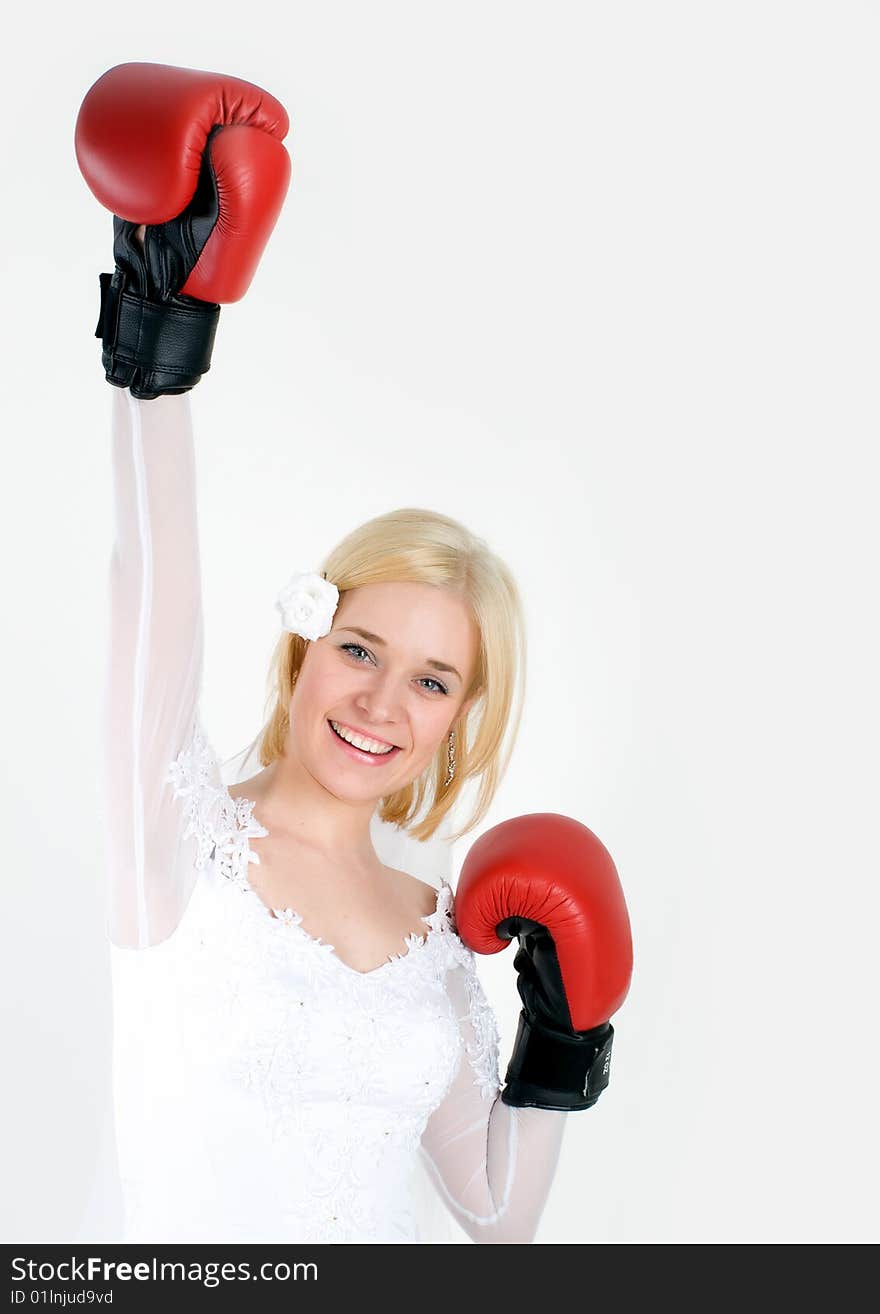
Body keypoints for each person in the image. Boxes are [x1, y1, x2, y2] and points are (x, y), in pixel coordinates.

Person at [77, 61, 631, 1245]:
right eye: (361, 649)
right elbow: (152, 589)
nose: (381, 701)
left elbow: (493, 1219)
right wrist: (158, 355)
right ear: (305, 647)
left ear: (460, 716)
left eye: (432, 680)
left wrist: (558, 1053)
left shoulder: (440, 928)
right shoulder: (174, 835)